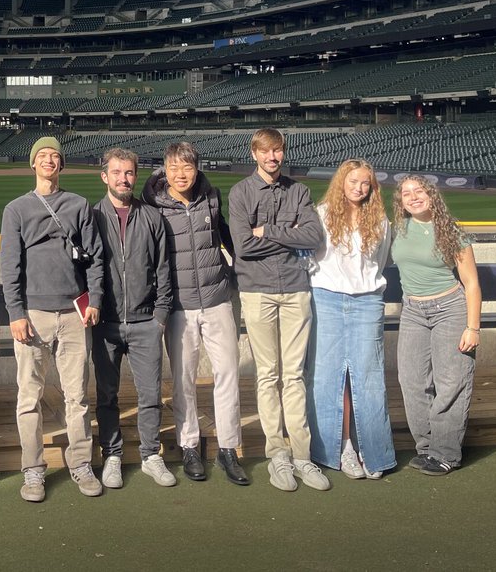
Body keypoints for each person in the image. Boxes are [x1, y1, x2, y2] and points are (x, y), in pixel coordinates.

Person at [1, 136, 105, 502]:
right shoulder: (16, 209)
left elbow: (95, 258)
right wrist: (15, 313)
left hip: (74, 314)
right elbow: (10, 266)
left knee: (77, 396)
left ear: (61, 164)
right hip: (33, 315)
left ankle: (81, 463)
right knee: (29, 396)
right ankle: (33, 469)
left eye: (54, 156)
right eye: (42, 155)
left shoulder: (78, 205)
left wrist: (95, 300)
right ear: (33, 163)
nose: (48, 160)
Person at [228, 128, 329, 492]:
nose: (272, 157)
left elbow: (313, 237)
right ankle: (278, 455)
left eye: (277, 151)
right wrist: (287, 232)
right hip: (257, 291)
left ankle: (302, 455)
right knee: (268, 375)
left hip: (295, 289)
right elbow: (243, 246)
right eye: (265, 151)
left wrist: (266, 230)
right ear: (254, 153)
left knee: (295, 375)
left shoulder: (298, 191)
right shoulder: (241, 192)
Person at [141, 141, 247, 486]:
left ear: (197, 168)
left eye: (187, 166)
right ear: (164, 169)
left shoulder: (211, 196)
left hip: (217, 299)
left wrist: (240, 272)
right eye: (173, 167)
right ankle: (189, 446)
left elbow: (227, 237)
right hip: (178, 307)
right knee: (183, 380)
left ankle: (228, 448)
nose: (180, 174)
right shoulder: (152, 204)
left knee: (227, 374)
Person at [305, 160, 396, 481]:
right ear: (341, 182)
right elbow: (310, 257)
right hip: (326, 299)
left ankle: (373, 452)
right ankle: (339, 448)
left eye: (365, 183)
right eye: (353, 181)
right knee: (328, 376)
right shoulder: (322, 214)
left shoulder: (380, 220)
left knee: (368, 377)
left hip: (367, 301)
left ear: (372, 187)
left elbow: (380, 262)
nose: (359, 188)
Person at [92, 148, 176, 489]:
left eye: (128, 172)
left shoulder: (152, 217)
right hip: (105, 324)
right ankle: (112, 455)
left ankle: (150, 454)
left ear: (135, 176)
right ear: (105, 176)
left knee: (150, 395)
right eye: (116, 172)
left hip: (145, 323)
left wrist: (160, 316)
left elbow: (164, 269)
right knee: (106, 396)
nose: (123, 179)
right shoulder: (92, 216)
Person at [392, 174, 482, 476]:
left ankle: (445, 454)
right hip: (413, 312)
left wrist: (473, 327)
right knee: (411, 381)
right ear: (401, 201)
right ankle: (427, 448)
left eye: (419, 191)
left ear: (431, 195)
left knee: (451, 383)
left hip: (450, 310)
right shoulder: (397, 229)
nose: (414, 197)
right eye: (406, 193)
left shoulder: (450, 230)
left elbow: (471, 283)